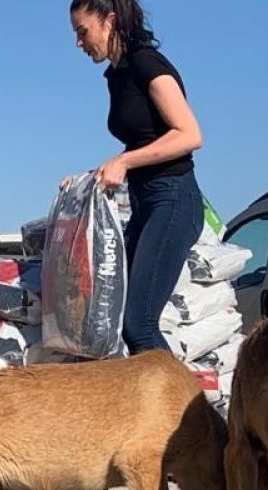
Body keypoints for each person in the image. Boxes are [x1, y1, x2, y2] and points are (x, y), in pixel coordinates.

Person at [69, 0, 206, 354]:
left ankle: (184, 409)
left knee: (138, 323)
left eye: (83, 32)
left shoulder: (147, 64)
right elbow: (140, 143)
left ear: (110, 21)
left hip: (173, 201)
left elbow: (190, 134)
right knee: (110, 314)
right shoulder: (117, 75)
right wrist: (86, 181)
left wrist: (125, 161)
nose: (79, 43)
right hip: (146, 203)